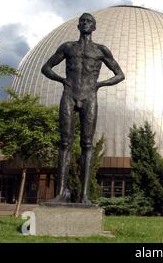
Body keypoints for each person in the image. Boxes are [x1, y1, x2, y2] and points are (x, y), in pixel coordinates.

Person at [41, 13, 125, 203]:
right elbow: (46, 68)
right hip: (69, 94)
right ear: (78, 26)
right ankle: (60, 193)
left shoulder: (101, 50)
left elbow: (120, 74)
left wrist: (100, 84)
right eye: (82, 21)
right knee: (65, 143)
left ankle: (84, 196)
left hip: (90, 96)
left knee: (87, 144)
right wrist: (61, 79)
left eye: (89, 22)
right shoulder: (68, 47)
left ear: (94, 27)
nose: (85, 24)